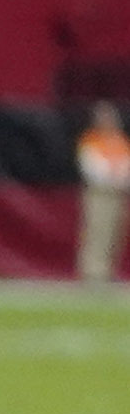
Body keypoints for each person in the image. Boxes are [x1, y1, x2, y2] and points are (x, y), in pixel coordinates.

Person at [78, 101, 129, 286]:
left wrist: (121, 178)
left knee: (115, 235)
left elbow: (126, 164)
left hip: (119, 194)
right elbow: (90, 166)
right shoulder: (91, 139)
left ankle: (107, 272)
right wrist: (111, 176)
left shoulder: (120, 141)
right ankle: (93, 273)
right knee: (97, 232)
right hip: (99, 194)